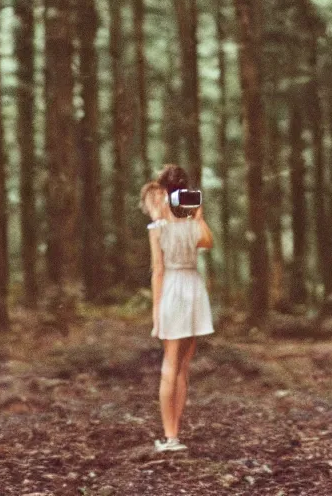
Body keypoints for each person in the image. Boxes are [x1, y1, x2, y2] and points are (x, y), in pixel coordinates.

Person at [140, 165, 214, 453]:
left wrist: (157, 311)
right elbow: (207, 241)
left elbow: (157, 271)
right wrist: (198, 215)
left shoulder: (158, 228)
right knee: (181, 366)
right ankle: (174, 435)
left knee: (171, 365)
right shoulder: (191, 224)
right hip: (192, 287)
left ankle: (171, 436)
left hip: (172, 287)